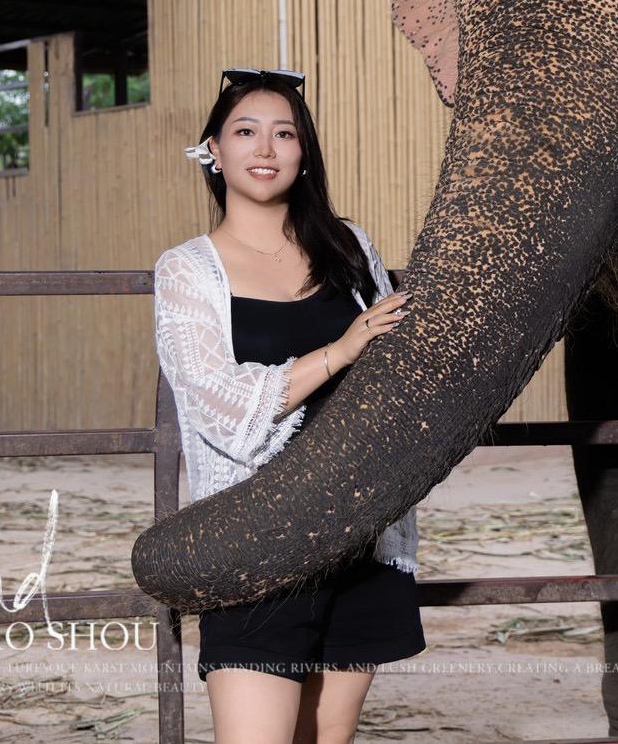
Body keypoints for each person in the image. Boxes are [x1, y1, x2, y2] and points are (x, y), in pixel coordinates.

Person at [152, 67, 424, 744]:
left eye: (284, 133)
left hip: (361, 539)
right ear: (214, 150)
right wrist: (338, 350)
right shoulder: (188, 269)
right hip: (255, 549)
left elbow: (394, 377)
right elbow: (218, 407)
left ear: (304, 154)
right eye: (245, 131)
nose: (265, 148)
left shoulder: (351, 248)